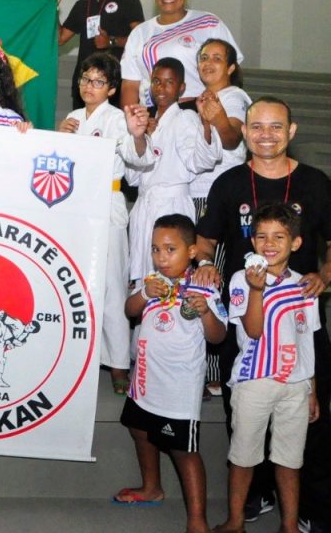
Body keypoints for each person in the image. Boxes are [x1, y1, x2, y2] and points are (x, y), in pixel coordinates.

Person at [195, 97, 331, 533]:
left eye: (276, 127)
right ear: (244, 132)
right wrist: (205, 262)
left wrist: (327, 271)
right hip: (247, 320)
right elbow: (205, 240)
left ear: (292, 131)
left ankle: (315, 512)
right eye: (257, 126)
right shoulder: (229, 183)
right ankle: (258, 493)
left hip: (301, 319)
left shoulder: (316, 183)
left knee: (312, 423)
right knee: (241, 412)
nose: (267, 134)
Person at [212, 203, 320, 533]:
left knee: (289, 461)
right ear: (252, 241)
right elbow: (254, 330)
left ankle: (289, 525)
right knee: (243, 457)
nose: (269, 243)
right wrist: (258, 289)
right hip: (253, 381)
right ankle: (235, 521)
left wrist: (312, 389)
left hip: (295, 385)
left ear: (296, 243)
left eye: (279, 236)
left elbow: (307, 341)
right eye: (261, 236)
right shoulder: (242, 280)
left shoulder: (305, 286)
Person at [115, 214, 225, 533]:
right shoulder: (152, 280)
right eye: (155, 250)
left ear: (191, 251)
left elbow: (218, 337)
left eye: (170, 249)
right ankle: (152, 487)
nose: (161, 258)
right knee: (139, 429)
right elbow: (129, 311)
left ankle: (197, 520)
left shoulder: (204, 286)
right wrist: (145, 293)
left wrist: (204, 313)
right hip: (146, 380)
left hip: (179, 387)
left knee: (183, 451)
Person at [57, 53, 153, 395]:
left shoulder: (116, 118)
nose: (88, 87)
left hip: (107, 203)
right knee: (78, 283)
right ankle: (79, 356)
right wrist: (59, 138)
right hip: (75, 206)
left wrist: (139, 134)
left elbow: (136, 156)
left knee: (112, 285)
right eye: (85, 79)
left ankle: (117, 364)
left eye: (98, 81)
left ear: (112, 89)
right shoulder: (71, 117)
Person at [191, 38, 251, 397]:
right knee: (198, 278)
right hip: (196, 193)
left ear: (230, 67)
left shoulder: (234, 98)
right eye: (204, 58)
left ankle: (215, 372)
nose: (209, 63)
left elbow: (230, 140)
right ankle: (202, 366)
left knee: (213, 279)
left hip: (219, 196)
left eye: (217, 58)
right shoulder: (202, 98)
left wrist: (216, 119)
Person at [126, 57, 221, 283]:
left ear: (181, 88)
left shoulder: (185, 118)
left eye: (169, 82)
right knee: (143, 279)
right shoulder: (146, 121)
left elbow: (199, 160)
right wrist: (144, 137)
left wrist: (206, 124)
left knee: (172, 277)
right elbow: (133, 175)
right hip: (145, 204)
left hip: (171, 205)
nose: (161, 88)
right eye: (156, 81)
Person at [120, 0, 242, 109]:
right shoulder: (139, 33)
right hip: (152, 115)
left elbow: (233, 70)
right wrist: (132, 121)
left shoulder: (208, 23)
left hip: (200, 110)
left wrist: (227, 107)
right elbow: (130, 84)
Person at [46, 0, 145, 109]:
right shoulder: (82, 5)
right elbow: (60, 38)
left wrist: (111, 41)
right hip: (84, 85)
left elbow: (141, 40)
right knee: (82, 132)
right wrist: (53, 10)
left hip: (115, 85)